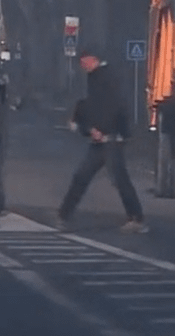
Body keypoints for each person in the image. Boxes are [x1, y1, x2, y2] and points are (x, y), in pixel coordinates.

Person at [56, 46, 148, 234]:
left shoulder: (105, 78)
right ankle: (64, 216)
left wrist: (99, 128)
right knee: (82, 176)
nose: (83, 67)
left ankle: (137, 219)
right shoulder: (97, 78)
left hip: (110, 139)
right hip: (101, 140)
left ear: (92, 59)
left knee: (118, 179)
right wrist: (89, 128)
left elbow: (110, 106)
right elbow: (92, 104)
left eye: (84, 63)